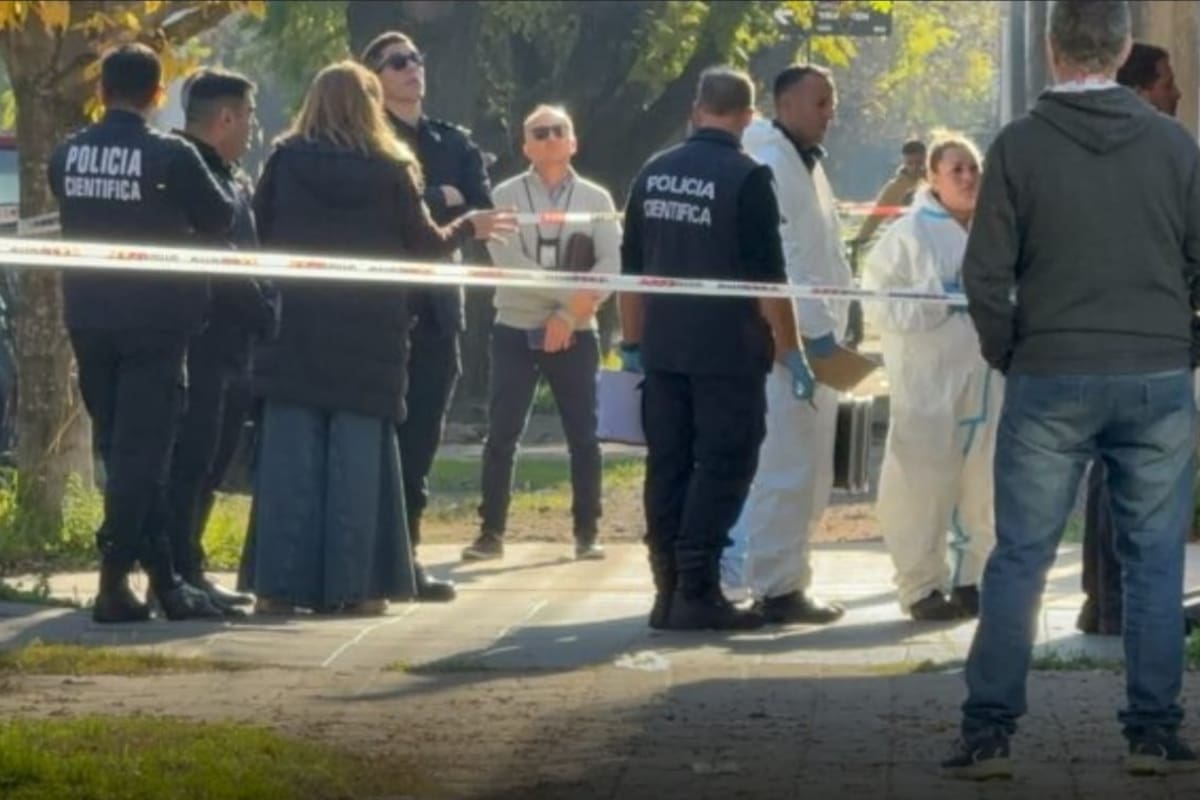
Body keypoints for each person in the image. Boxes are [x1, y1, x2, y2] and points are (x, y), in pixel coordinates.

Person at [945, 0, 1200, 779]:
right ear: (1124, 50)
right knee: (1155, 560)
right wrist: (1180, 338)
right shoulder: (1173, 145)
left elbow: (984, 274)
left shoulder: (1018, 147)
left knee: (1019, 554)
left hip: (1049, 371)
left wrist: (1009, 349)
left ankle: (989, 732)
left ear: (1052, 48)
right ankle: (1152, 732)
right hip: (1155, 373)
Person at [237, 61, 513, 616]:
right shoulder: (393, 167)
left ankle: (277, 589)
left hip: (295, 330)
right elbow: (425, 249)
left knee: (291, 463)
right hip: (371, 334)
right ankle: (359, 588)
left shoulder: (285, 161)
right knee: (359, 465)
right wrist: (467, 226)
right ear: (370, 105)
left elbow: (255, 235)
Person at [619, 66, 816, 631]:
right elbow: (767, 284)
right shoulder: (746, 177)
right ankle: (698, 588)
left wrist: (632, 343)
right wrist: (791, 351)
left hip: (662, 350)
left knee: (669, 464)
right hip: (726, 353)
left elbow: (631, 274)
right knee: (726, 463)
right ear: (748, 117)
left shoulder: (653, 173)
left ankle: (667, 591)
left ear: (695, 108)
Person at [49, 44, 233, 623]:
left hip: (89, 317)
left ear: (101, 91)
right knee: (142, 454)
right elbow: (221, 215)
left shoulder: (67, 154)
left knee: (122, 450)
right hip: (156, 319)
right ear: (158, 95)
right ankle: (112, 580)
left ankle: (163, 580)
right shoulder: (170, 154)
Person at [360, 31, 494, 602]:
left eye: (417, 58)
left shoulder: (451, 140)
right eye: (398, 62)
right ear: (374, 77)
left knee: (420, 443)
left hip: (438, 308)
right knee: (371, 438)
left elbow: (483, 211)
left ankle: (406, 556)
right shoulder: (363, 142)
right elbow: (375, 219)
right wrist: (442, 202)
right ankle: (364, 556)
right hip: (377, 310)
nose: (413, 68)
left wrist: (438, 206)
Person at [720, 65, 849, 625]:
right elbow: (787, 257)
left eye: (832, 102)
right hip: (790, 342)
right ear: (785, 103)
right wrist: (812, 331)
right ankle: (775, 585)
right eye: (819, 102)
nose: (829, 113)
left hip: (819, 335)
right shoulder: (771, 160)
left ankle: (785, 575)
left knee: (810, 469)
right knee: (787, 466)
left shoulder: (804, 161)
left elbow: (826, 249)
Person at [461, 105, 620, 562]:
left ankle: (587, 532)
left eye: (559, 131)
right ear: (525, 145)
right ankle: (491, 532)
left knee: (584, 435)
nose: (550, 139)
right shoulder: (503, 195)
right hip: (515, 325)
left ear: (574, 142)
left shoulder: (597, 200)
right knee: (503, 433)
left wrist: (569, 316)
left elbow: (610, 265)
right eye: (539, 133)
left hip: (578, 329)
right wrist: (570, 296)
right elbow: (508, 263)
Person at [861, 132, 1002, 622]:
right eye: (956, 169)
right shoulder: (910, 233)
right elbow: (880, 302)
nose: (967, 178)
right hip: (928, 385)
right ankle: (921, 586)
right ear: (934, 178)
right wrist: (935, 302)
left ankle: (971, 579)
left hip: (985, 380)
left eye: (972, 168)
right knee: (921, 483)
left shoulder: (997, 229)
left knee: (981, 482)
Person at [163, 68, 278, 615]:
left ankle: (193, 566)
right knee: (193, 462)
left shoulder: (231, 174)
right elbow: (217, 260)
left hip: (236, 345)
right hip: (203, 341)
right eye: (249, 116)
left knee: (214, 462)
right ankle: (178, 570)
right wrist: (261, 303)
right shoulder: (186, 170)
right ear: (226, 117)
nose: (254, 128)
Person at [1079, 41, 1182, 637]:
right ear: (1143, 88)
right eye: (1168, 82)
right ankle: (1121, 605)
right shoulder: (1153, 149)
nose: (1176, 93)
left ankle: (1106, 602)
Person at [854, 138, 926, 245]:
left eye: (919, 163)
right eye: (910, 163)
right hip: (908, 240)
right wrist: (859, 241)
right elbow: (874, 218)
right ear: (904, 162)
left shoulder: (938, 182)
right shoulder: (895, 188)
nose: (915, 167)